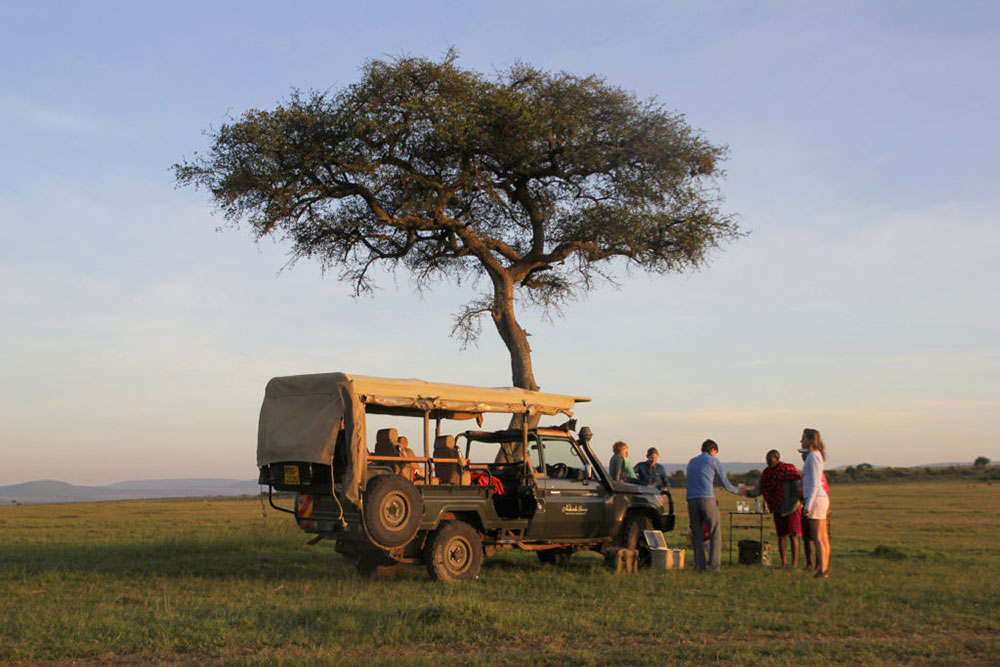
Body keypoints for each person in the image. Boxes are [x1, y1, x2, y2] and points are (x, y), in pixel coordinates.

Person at [686, 439, 742, 571]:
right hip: (707, 498)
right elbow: (725, 483)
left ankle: (700, 566)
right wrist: (738, 491)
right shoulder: (714, 461)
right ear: (713, 450)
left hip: (691, 500)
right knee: (715, 532)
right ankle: (714, 566)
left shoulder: (692, 462)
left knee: (697, 534)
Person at [743, 449, 802, 567]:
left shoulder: (788, 469)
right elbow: (759, 488)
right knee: (781, 536)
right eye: (766, 460)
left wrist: (795, 501)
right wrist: (748, 493)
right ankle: (783, 563)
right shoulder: (767, 473)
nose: (768, 462)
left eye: (770, 459)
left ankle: (794, 563)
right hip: (777, 507)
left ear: (776, 458)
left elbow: (798, 486)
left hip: (792, 507)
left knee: (793, 535)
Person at [800, 428, 831, 578]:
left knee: (818, 537)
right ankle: (824, 567)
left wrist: (808, 505)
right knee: (823, 536)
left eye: (803, 438)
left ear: (811, 440)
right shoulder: (815, 455)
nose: (801, 441)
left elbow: (814, 483)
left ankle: (822, 569)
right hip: (820, 498)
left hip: (816, 499)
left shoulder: (813, 456)